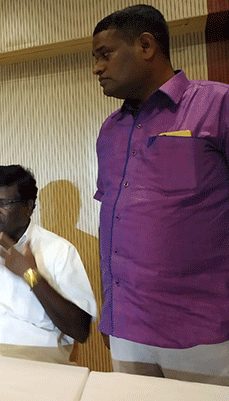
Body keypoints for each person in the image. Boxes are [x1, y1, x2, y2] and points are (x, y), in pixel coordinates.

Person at [92, 4, 229, 384]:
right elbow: (112, 223)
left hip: (203, 331)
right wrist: (110, 310)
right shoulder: (110, 130)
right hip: (126, 328)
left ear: (146, 46)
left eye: (105, 54)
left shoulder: (217, 105)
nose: (96, 68)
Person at [0, 165, 96, 364]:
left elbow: (80, 330)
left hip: (35, 364)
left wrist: (30, 275)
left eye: (2, 203)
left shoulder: (60, 252)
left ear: (28, 207)